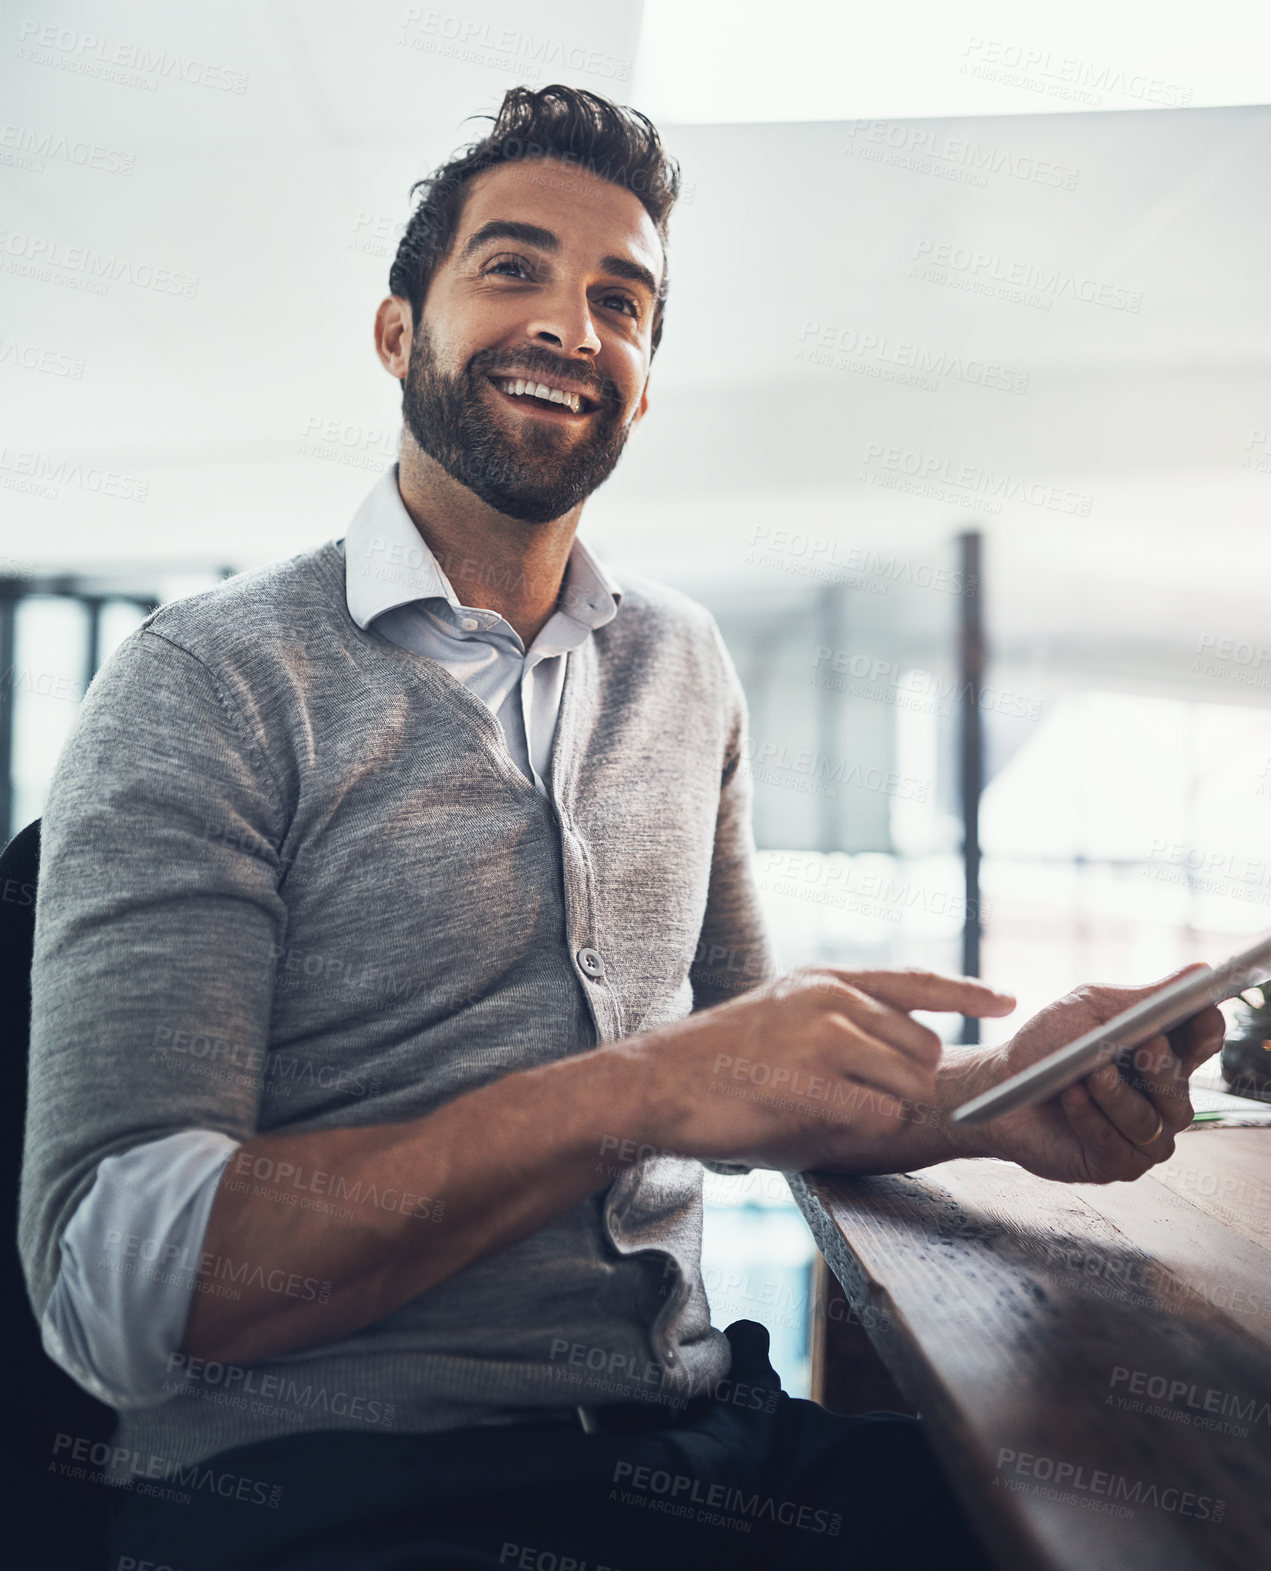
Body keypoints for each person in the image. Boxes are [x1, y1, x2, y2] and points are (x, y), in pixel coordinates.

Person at [20, 84, 1222, 1570]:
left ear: (643, 384)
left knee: (1156, 1528)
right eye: (513, 269)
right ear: (400, 334)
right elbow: (116, 1292)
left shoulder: (682, 663)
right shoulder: (209, 681)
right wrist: (631, 1089)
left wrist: (992, 1104)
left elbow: (741, 1074)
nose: (573, 326)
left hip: (693, 1445)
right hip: (335, 1490)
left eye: (621, 300)